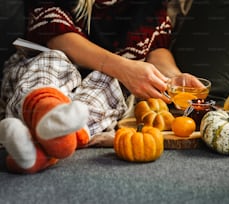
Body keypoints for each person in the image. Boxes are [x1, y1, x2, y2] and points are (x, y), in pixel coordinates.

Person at [0, 0, 200, 173]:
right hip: (48, 66)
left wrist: (175, 78)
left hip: (107, 80)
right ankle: (44, 111)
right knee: (52, 61)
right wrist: (123, 68)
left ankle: (36, 153)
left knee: (110, 89)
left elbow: (156, 48)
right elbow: (57, 36)